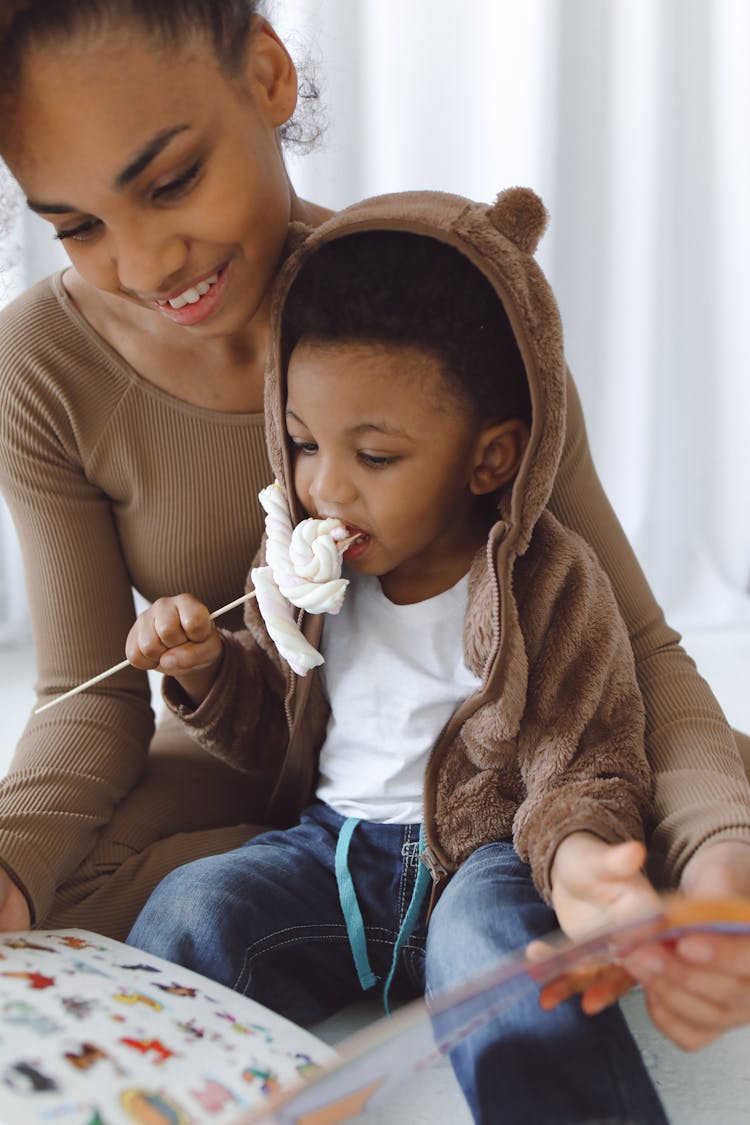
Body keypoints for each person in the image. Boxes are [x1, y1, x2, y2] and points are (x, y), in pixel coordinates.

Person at [0, 0, 748, 1054]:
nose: (143, 264)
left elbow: (634, 645)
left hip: (492, 761)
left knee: (664, 801)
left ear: (266, 74)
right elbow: (88, 702)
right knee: (66, 911)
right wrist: (13, 864)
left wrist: (718, 855)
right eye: (74, 224)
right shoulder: (41, 364)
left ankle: (501, 899)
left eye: (169, 181)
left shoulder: (449, 320)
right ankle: (397, 906)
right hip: (254, 749)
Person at [127, 191, 672, 1122]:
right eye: (301, 443)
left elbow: (584, 755)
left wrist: (579, 852)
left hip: (483, 855)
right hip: (331, 854)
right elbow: (271, 727)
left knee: (497, 955)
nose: (325, 486)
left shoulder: (547, 580)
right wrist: (206, 668)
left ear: (489, 459)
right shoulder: (300, 573)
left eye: (375, 456)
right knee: (194, 904)